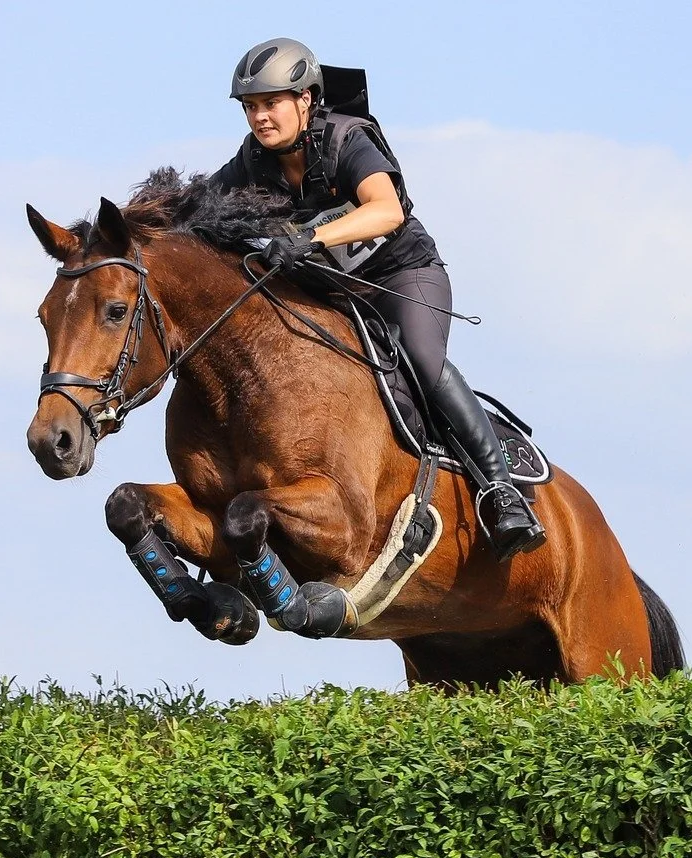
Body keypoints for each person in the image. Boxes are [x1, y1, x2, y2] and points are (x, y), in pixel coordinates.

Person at [210, 37, 545, 561]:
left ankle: (502, 493)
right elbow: (197, 215)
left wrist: (309, 238)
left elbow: (385, 210)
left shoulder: (348, 138)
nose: (259, 117)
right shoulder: (253, 161)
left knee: (422, 358)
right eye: (251, 107)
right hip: (338, 297)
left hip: (402, 277)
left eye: (271, 103)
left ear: (305, 100)